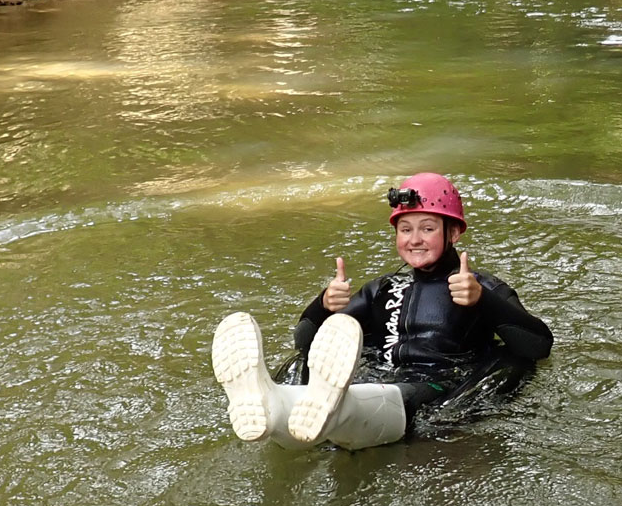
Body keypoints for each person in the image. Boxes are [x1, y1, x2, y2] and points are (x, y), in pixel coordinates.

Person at [210, 173, 554, 450]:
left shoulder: (479, 286)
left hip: (431, 390)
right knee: (303, 359)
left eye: (428, 228)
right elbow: (305, 338)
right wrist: (323, 304)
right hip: (372, 376)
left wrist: (483, 301)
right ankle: (271, 403)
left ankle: (318, 411)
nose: (414, 239)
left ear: (454, 232)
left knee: (409, 392)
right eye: (405, 229)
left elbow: (538, 346)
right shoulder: (381, 289)